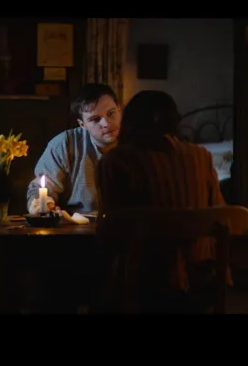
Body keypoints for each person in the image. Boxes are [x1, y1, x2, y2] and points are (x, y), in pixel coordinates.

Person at [94, 90, 226, 312]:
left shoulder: (117, 161)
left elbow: (110, 229)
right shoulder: (201, 156)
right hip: (200, 273)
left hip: (144, 279)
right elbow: (218, 211)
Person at [26, 83, 122, 214]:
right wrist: (41, 203)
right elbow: (40, 188)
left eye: (111, 113)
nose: (106, 124)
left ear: (119, 109)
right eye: (95, 119)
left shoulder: (137, 141)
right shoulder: (65, 144)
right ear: (82, 124)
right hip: (78, 222)